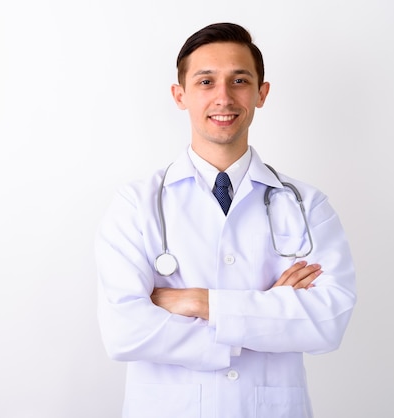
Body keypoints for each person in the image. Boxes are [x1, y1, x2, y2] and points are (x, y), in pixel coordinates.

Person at [94, 22, 357, 418]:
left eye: (239, 80)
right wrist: (268, 313)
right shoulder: (136, 205)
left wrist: (198, 302)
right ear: (179, 95)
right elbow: (124, 332)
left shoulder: (306, 205)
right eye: (205, 82)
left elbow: (327, 321)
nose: (223, 97)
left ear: (260, 93)